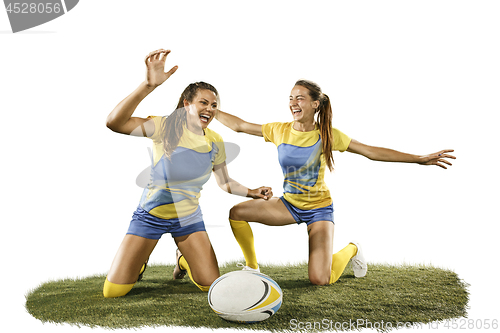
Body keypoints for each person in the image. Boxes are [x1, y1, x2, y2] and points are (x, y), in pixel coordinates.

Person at [215, 79, 455, 286]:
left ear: (315, 104)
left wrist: (417, 159)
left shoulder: (328, 135)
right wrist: (209, 110)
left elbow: (370, 151)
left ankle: (352, 249)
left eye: (300, 98)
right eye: (290, 98)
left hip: (318, 209)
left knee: (320, 279)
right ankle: (252, 267)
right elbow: (240, 126)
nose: (293, 103)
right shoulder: (279, 130)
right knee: (237, 212)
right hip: (288, 205)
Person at [102, 49, 272, 298]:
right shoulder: (163, 126)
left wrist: (252, 192)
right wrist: (148, 86)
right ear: (186, 104)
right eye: (204, 102)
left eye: (214, 105)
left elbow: (225, 183)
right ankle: (139, 261)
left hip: (189, 219)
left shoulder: (215, 140)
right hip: (150, 216)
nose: (210, 109)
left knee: (209, 286)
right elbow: (114, 122)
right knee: (113, 292)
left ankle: (183, 260)